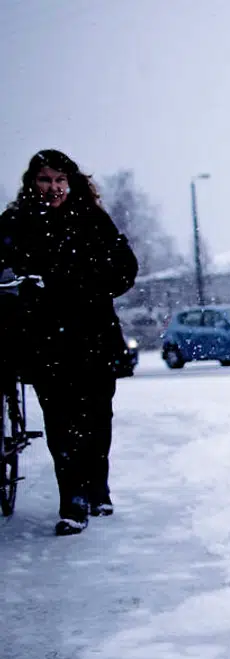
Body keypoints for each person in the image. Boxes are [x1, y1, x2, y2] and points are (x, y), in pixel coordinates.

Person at [0, 150, 137, 536]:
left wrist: (85, 286)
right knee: (60, 420)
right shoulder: (15, 223)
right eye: (46, 179)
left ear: (72, 182)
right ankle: (72, 501)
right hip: (43, 337)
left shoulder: (92, 221)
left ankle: (97, 485)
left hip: (92, 332)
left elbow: (125, 269)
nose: (54, 188)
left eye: (61, 180)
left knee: (97, 415)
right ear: (32, 183)